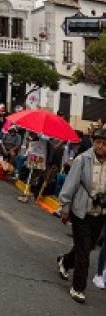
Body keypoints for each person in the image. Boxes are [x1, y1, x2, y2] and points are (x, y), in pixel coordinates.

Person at [56, 128, 106, 304]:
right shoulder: (82, 159)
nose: (100, 146)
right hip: (81, 211)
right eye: (98, 142)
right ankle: (78, 288)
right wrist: (64, 207)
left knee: (87, 246)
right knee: (84, 250)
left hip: (100, 214)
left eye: (104, 143)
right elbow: (70, 184)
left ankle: (64, 261)